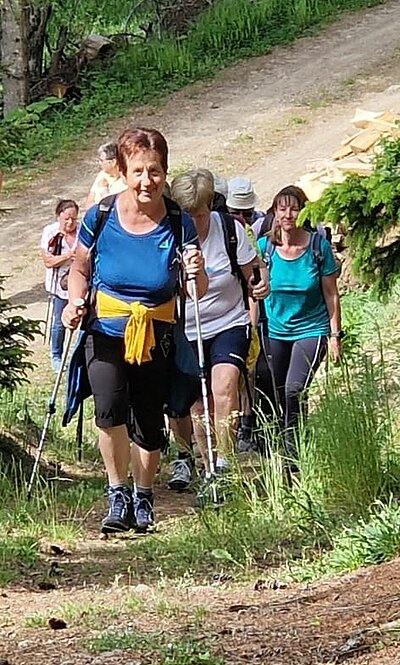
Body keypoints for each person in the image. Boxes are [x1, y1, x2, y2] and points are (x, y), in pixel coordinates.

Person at [62, 127, 207, 534]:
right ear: (123, 172)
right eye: (139, 171)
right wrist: (75, 301)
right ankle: (117, 493)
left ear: (165, 171)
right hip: (105, 329)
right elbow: (79, 268)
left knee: (147, 417)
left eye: (156, 171)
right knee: (108, 409)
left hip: (156, 332)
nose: (147, 181)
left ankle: (144, 496)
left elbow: (197, 288)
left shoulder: (178, 222)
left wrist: (195, 273)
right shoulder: (101, 215)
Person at [169, 169, 268, 503]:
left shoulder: (229, 229)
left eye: (198, 215)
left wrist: (261, 283)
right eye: (186, 215)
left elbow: (253, 271)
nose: (192, 223)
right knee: (198, 401)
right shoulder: (166, 234)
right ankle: (207, 465)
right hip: (187, 328)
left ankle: (224, 463)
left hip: (229, 321)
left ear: (209, 206)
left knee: (223, 386)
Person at [257, 185, 342, 471]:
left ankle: (292, 457)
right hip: (275, 331)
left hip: (312, 329)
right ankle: (289, 442)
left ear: (303, 212)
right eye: (282, 208)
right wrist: (249, 323)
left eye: (294, 208)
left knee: (294, 388)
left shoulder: (318, 247)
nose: (288, 214)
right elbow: (253, 287)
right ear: (274, 212)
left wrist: (334, 335)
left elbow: (331, 293)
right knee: (277, 391)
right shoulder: (264, 248)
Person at [41, 200, 79, 372]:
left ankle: (75, 352)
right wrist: (69, 256)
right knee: (59, 322)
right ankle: (56, 354)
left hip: (79, 283)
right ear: (59, 217)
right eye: (66, 219)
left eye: (73, 219)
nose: (70, 223)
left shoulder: (81, 231)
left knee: (81, 319)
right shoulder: (50, 232)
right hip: (58, 286)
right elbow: (48, 261)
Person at [86, 142, 127, 207]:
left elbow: (114, 208)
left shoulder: (125, 182)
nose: (99, 163)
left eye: (101, 160)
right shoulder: (103, 174)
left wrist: (103, 190)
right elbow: (89, 201)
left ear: (113, 162)